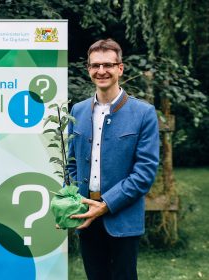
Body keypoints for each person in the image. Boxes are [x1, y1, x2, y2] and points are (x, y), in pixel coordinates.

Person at [66, 39, 159, 280]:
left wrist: (106, 204)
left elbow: (144, 173)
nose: (101, 71)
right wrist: (78, 200)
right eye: (95, 65)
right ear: (88, 69)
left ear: (120, 68)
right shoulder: (77, 111)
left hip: (122, 219)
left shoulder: (144, 113)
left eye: (108, 64)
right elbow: (72, 162)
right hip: (87, 216)